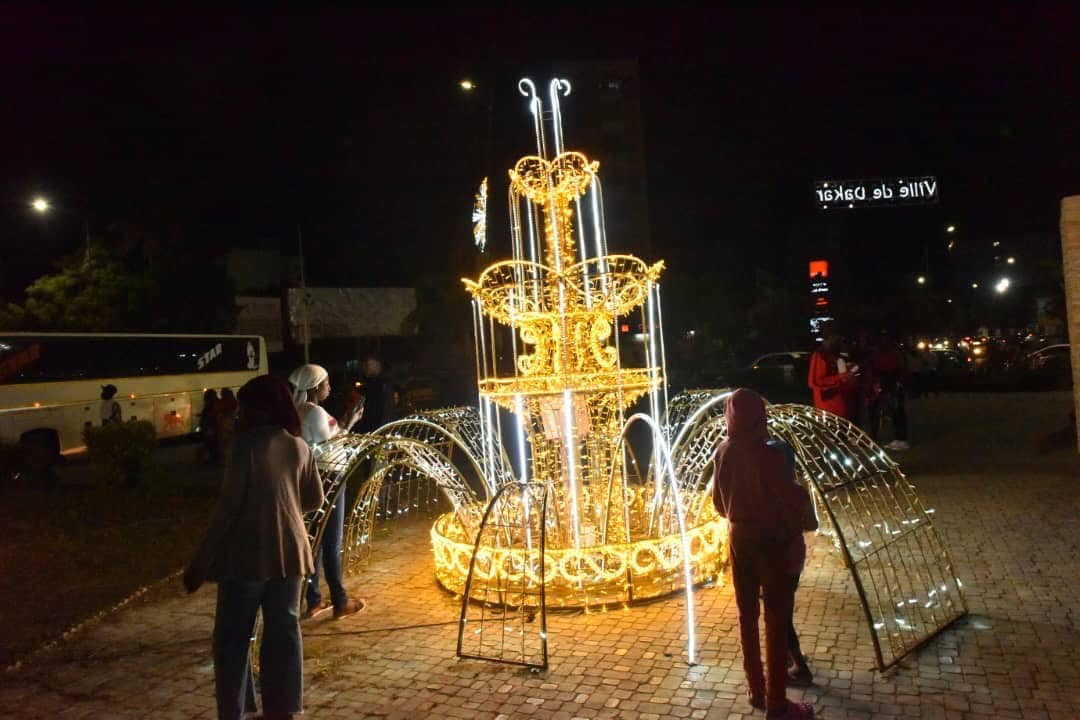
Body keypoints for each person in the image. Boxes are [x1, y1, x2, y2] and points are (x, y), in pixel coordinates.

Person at [183, 374, 324, 720]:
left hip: (246, 556)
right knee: (284, 634)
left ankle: (235, 710)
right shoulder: (298, 445)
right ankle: (284, 708)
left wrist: (200, 563)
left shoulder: (245, 447)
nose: (238, 414)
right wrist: (284, 508)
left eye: (244, 406)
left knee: (233, 638)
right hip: (291, 554)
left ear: (257, 408)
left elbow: (228, 509)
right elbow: (315, 499)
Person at [714, 389, 815, 719]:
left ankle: (755, 689)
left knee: (747, 616)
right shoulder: (770, 455)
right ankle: (777, 702)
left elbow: (718, 503)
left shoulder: (723, 451)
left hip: (739, 539)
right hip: (772, 541)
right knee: (776, 618)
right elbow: (788, 499)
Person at [288, 363, 365, 621]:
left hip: (312, 477)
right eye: (326, 383)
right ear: (314, 386)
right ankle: (340, 600)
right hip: (330, 477)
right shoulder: (315, 413)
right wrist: (350, 424)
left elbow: (323, 441)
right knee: (331, 540)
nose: (329, 387)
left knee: (316, 540)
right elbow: (330, 446)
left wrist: (347, 421)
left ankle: (314, 600)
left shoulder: (298, 410)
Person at [871, 334, 909, 450]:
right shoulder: (889, 353)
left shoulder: (892, 353)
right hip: (889, 385)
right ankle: (897, 438)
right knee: (893, 413)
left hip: (892, 386)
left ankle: (900, 439)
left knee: (897, 412)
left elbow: (893, 370)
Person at [807, 333, 855, 418]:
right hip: (827, 407)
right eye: (836, 339)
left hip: (838, 404)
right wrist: (841, 376)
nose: (839, 342)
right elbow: (815, 382)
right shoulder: (821, 355)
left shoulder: (834, 355)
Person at [354, 355, 396, 433]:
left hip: (377, 430)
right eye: (364, 365)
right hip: (374, 429)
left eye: (367, 365)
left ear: (377, 364)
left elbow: (384, 411)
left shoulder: (382, 384)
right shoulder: (373, 383)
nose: (364, 368)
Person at [216, 388, 239, 465]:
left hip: (225, 422)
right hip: (230, 422)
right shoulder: (233, 402)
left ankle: (226, 460)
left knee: (225, 442)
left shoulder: (221, 403)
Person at [200, 389, 220, 465]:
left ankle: (212, 459)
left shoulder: (209, 406)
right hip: (211, 427)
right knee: (212, 443)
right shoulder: (214, 404)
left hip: (210, 428)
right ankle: (213, 459)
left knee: (210, 443)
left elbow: (206, 417)